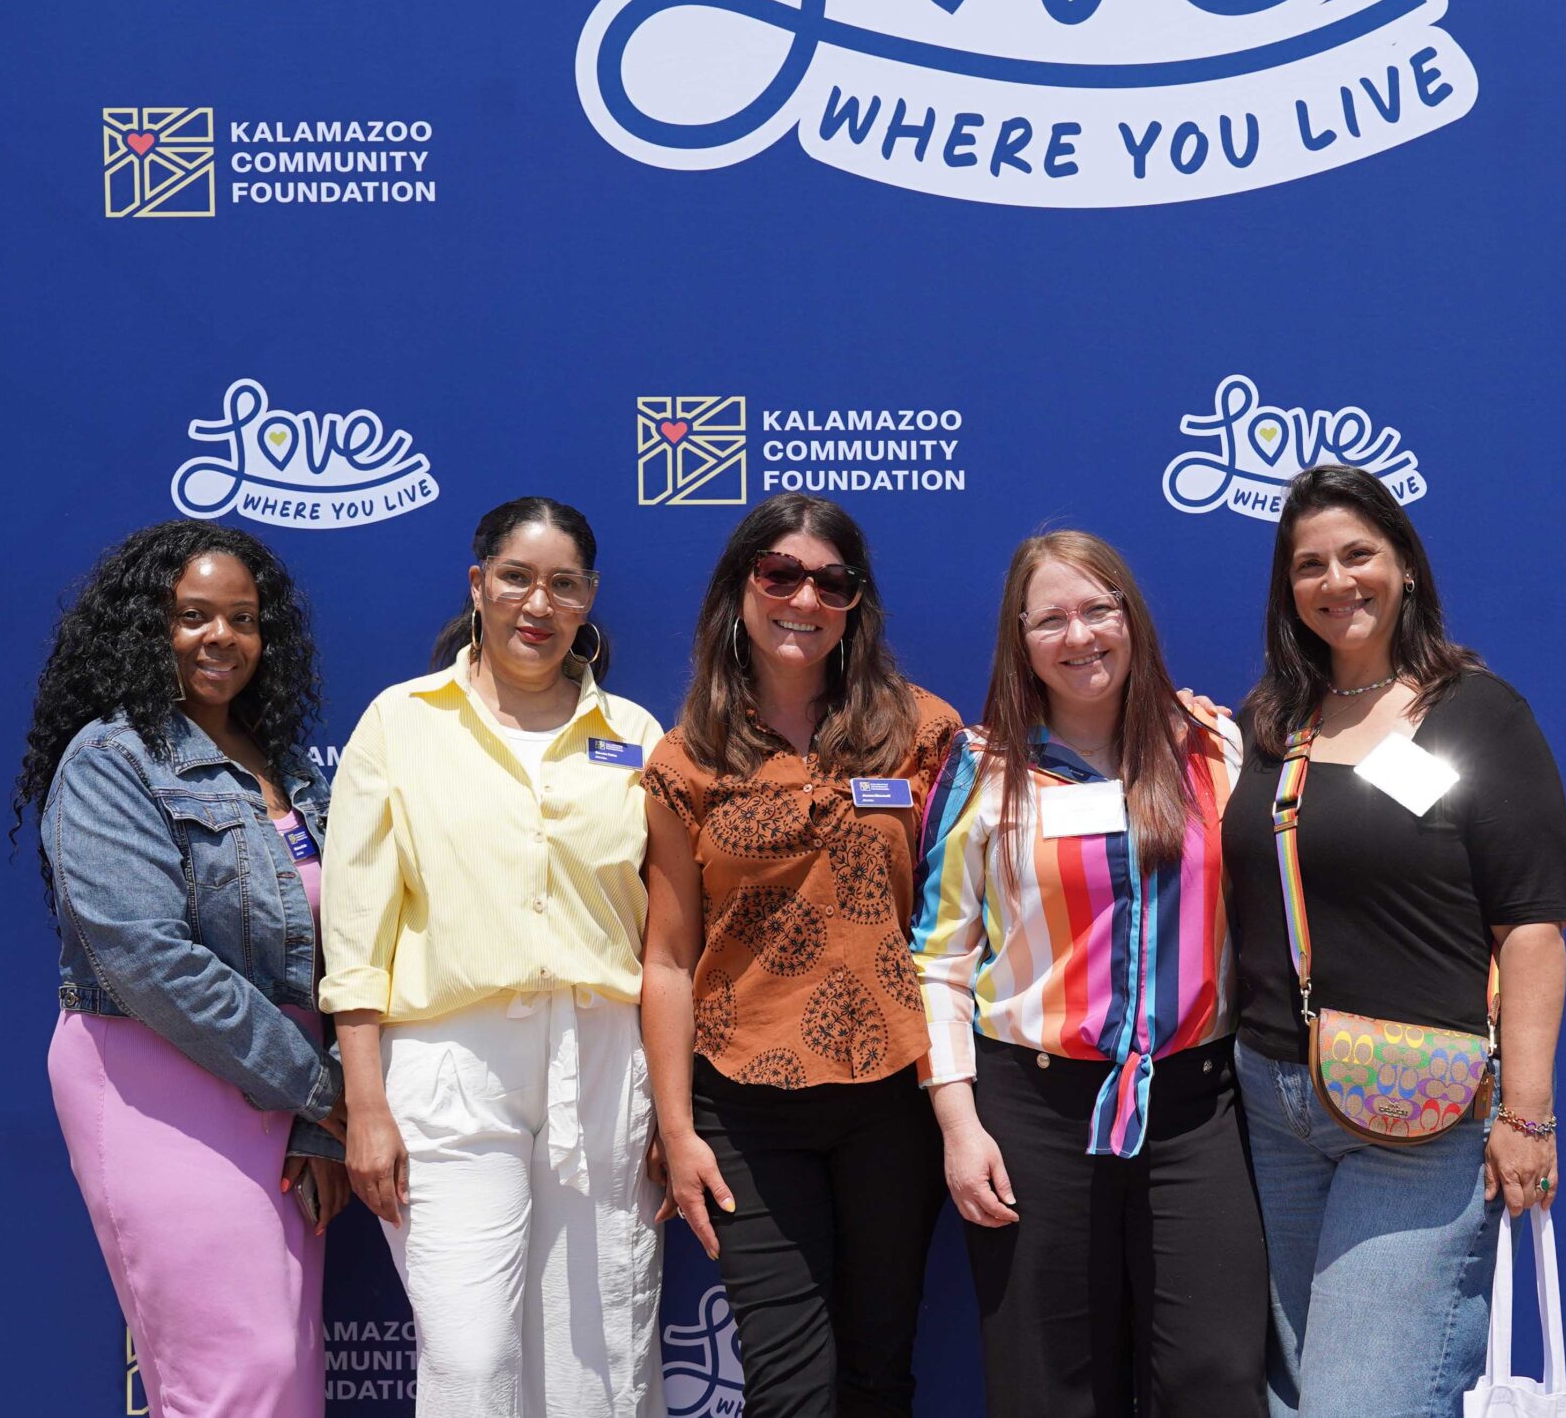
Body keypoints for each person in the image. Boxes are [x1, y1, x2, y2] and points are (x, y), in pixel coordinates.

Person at [1225, 467, 1566, 1418]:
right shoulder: (1271, 723)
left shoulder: (1478, 714)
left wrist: (1528, 1114)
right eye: (1310, 565)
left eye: (1358, 554)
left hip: (1417, 1114)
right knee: (1294, 1401)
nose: (1337, 580)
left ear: (1405, 565)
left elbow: (1532, 927)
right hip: (1273, 1102)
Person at [320, 496, 667, 1418]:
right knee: (471, 1361)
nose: (536, 604)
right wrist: (363, 1103)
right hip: (448, 1068)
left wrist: (669, 1105)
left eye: (562, 584)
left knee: (593, 1362)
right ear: (478, 584)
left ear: (589, 599)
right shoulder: (400, 722)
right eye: (515, 578)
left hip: (601, 1062)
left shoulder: (635, 735)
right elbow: (355, 935)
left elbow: (667, 935)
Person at [911, 531, 1267, 1417]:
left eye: (1099, 610)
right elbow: (939, 959)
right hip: (1032, 1112)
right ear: (1021, 639)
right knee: (1048, 1387)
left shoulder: (1214, 747)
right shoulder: (982, 770)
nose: (1081, 636)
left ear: (1132, 620)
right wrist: (959, 1124)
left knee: (1215, 1377)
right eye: (1052, 618)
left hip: (1192, 1108)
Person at [640, 492, 962, 1418]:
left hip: (893, 1099)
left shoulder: (924, 732)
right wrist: (675, 1128)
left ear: (856, 601)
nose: (804, 598)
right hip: (744, 1108)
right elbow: (667, 958)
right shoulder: (684, 758)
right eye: (780, 574)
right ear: (740, 587)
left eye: (832, 581)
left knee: (877, 1373)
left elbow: (986, 877)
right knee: (790, 1387)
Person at [18, 520, 345, 1418]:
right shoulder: (111, 758)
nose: (221, 637)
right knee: (236, 1374)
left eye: (242, 617)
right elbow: (146, 957)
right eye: (192, 614)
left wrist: (317, 1114)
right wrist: (317, 1089)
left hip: (281, 1098)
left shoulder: (289, 770)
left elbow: (335, 955)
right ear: (145, 625)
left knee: (278, 1373)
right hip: (155, 1081)